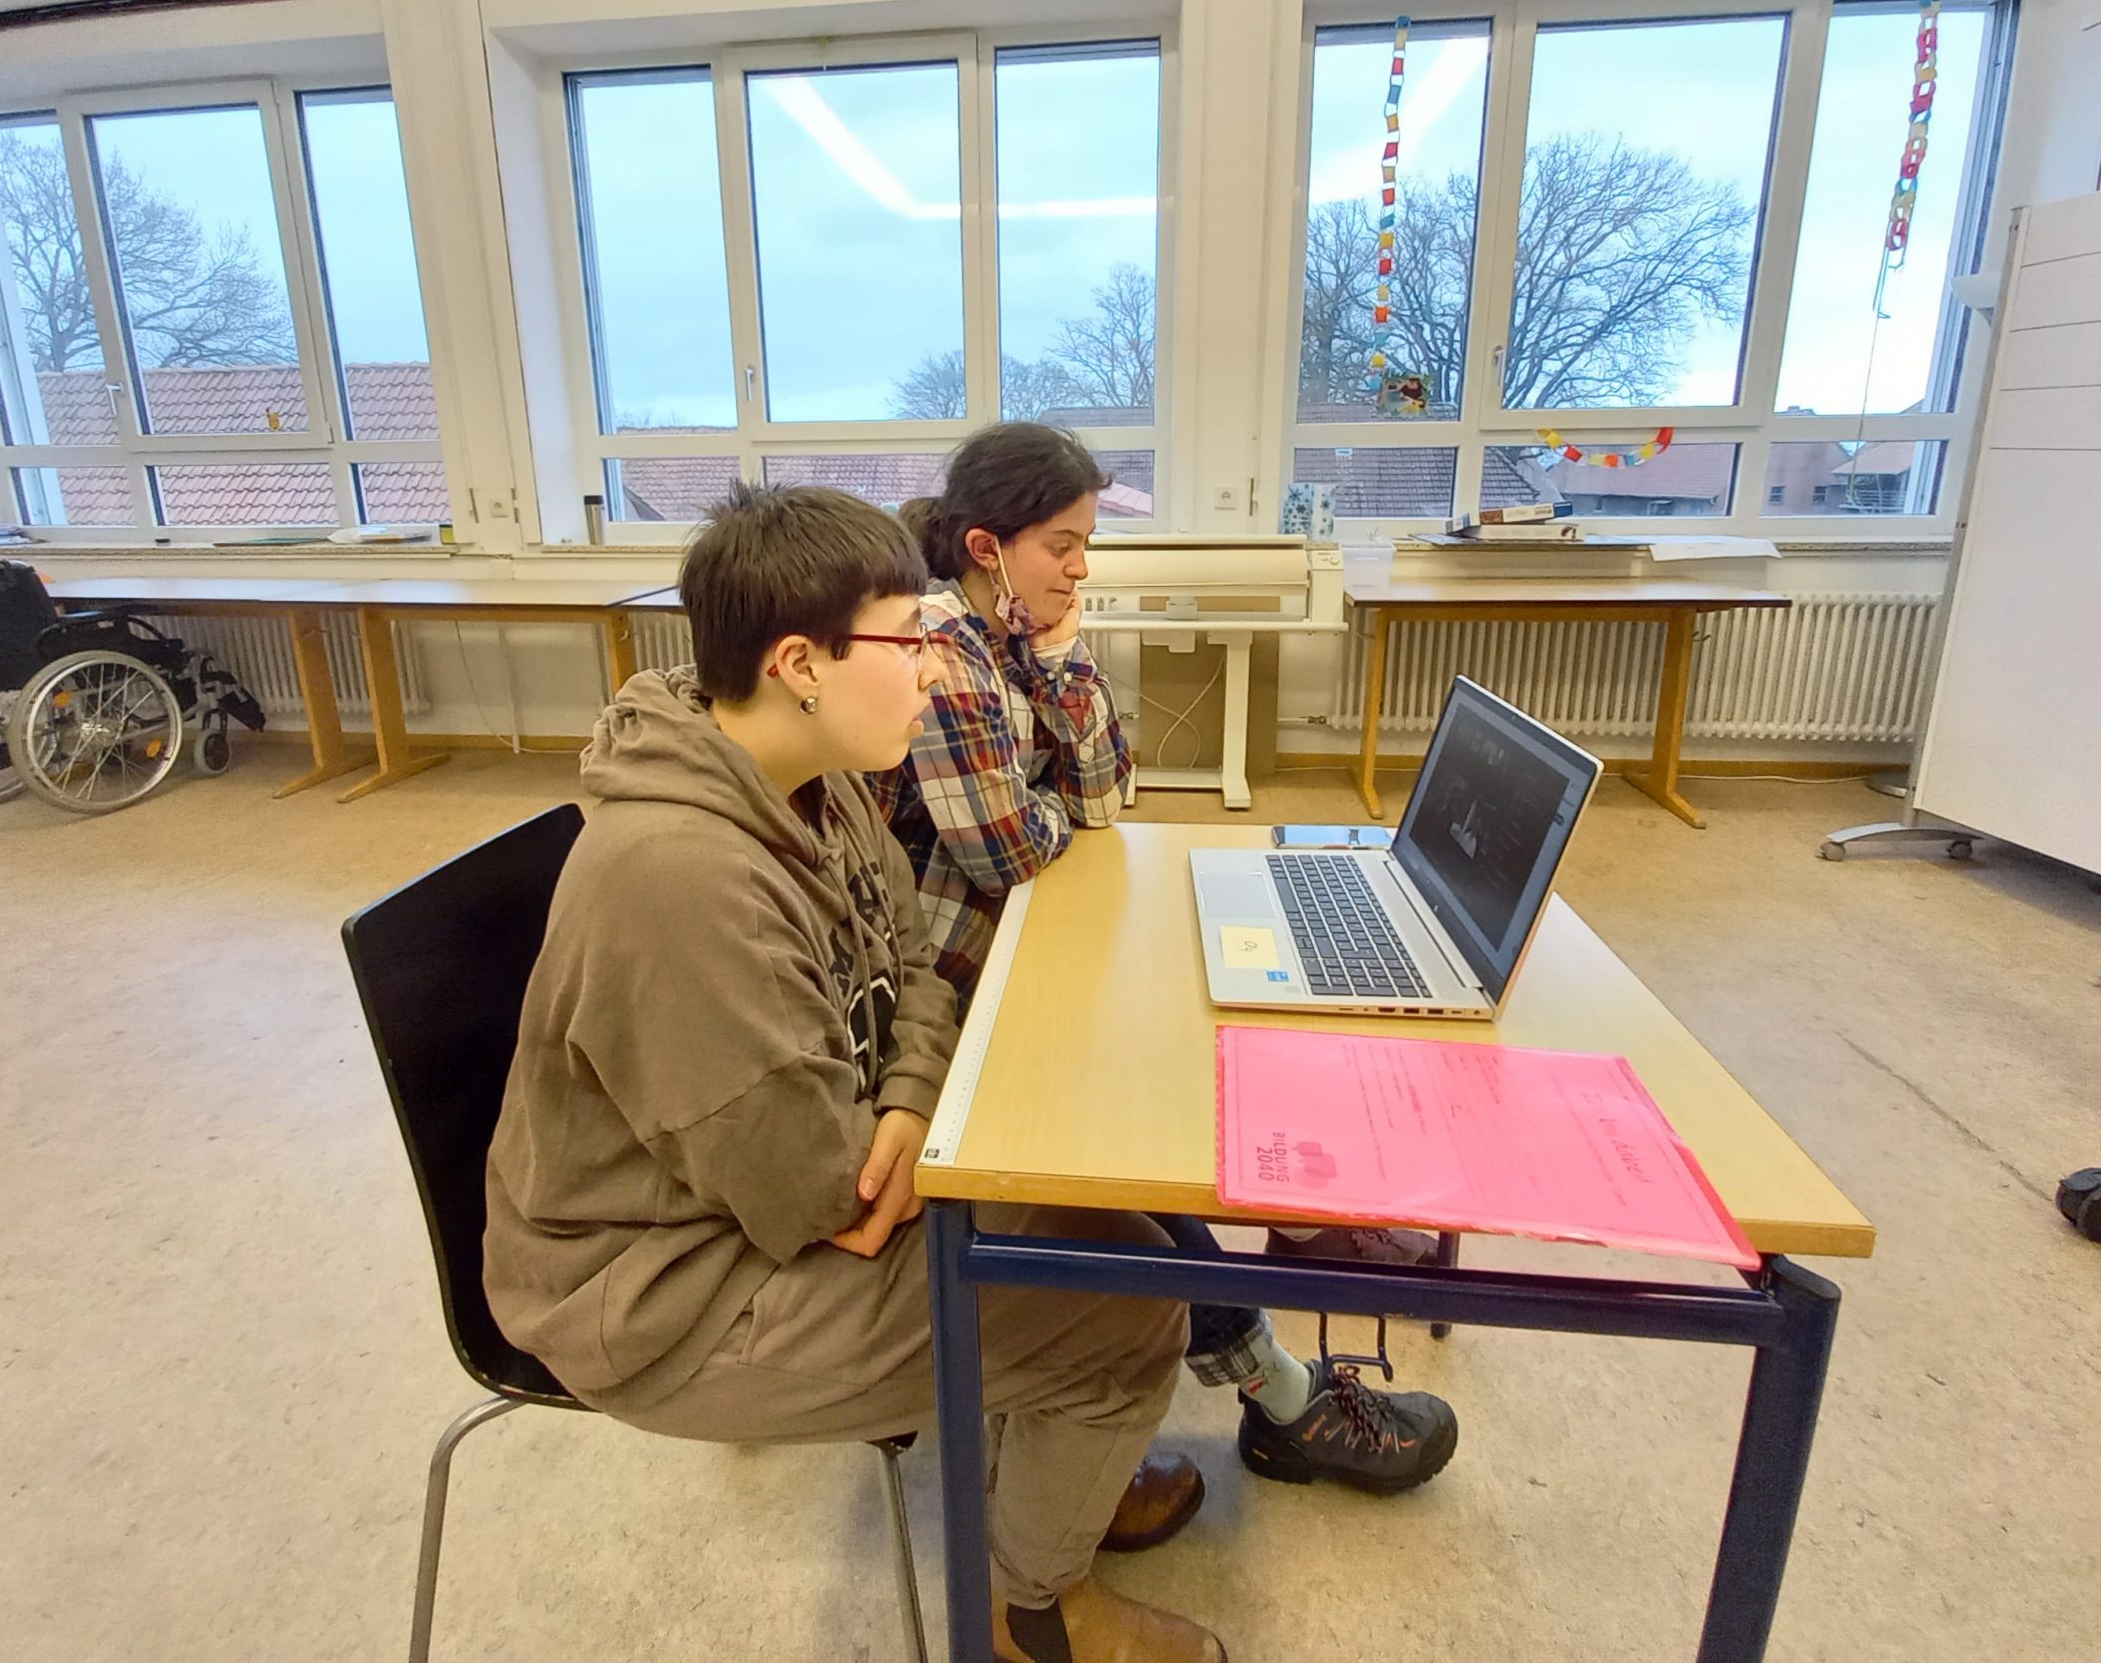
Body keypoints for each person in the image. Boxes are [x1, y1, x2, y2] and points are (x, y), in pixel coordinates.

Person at [485, 484, 1226, 1663]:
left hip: (760, 1198)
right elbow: (822, 1197)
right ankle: (1035, 1610)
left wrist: (910, 1096)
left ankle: (1058, 1469)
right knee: (1128, 1309)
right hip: (671, 1296)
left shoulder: (812, 778)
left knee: (1092, 1224)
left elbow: (916, 965)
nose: (936, 670)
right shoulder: (683, 882)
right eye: (908, 640)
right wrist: (893, 1120)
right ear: (799, 664)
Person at [875, 422, 1459, 1495]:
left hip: (1015, 933)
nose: (1080, 569)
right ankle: (1279, 1389)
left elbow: (1104, 798)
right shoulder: (942, 650)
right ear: (987, 546)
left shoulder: (1016, 638)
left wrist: (1063, 663)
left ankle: (1296, 1236)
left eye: (1085, 544)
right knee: (1129, 1098)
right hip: (944, 981)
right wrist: (1050, 810)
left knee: (1183, 998)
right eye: (1062, 545)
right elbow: (1006, 852)